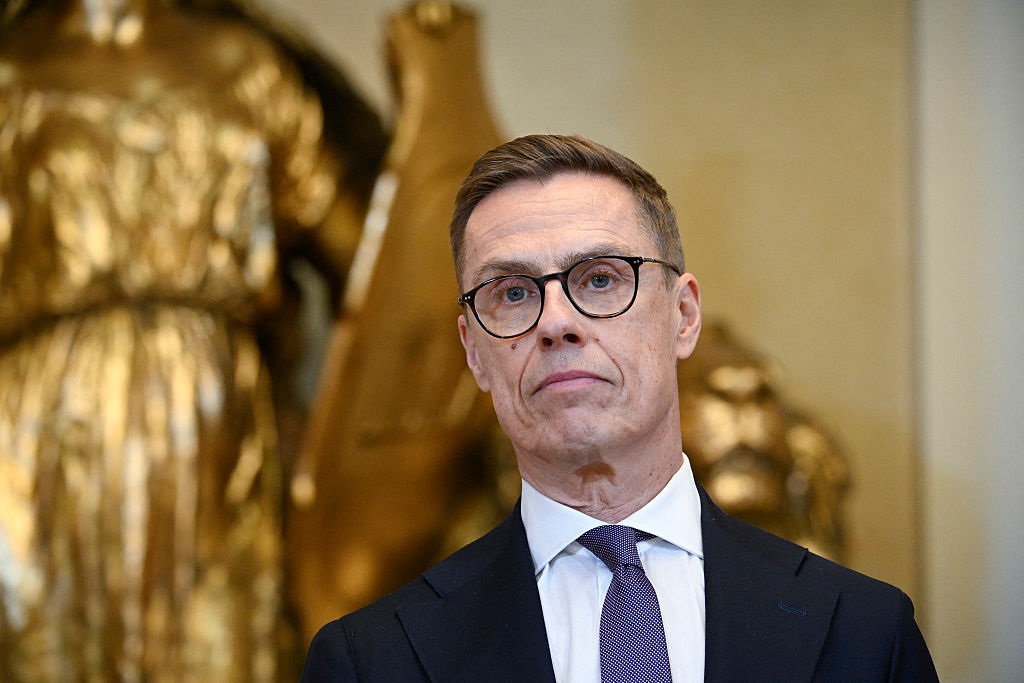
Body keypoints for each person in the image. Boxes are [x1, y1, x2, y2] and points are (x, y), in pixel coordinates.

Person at [301, 134, 938, 682]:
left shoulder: (863, 631)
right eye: (513, 293)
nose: (556, 322)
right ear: (474, 351)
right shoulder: (372, 659)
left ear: (682, 316)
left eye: (600, 278)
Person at [0, 0, 385, 679]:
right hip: (42, 429)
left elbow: (374, 272)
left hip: (211, 425)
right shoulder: (12, 70)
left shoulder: (246, 66)